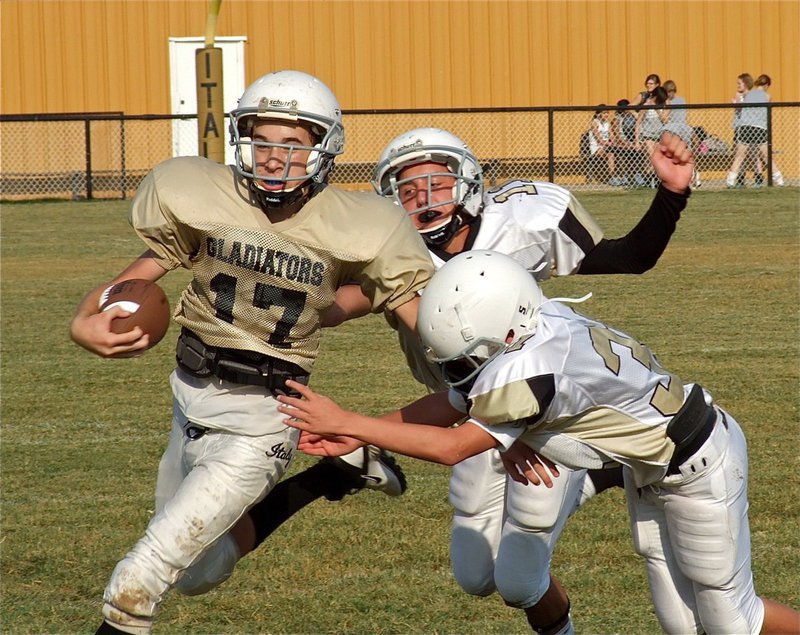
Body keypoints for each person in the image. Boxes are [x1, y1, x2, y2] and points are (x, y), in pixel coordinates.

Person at [279, 126, 692, 633]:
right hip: (463, 408)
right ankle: (589, 477)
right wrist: (275, 293)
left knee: (519, 582)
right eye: (408, 191)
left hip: (535, 410)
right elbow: (337, 305)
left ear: (467, 183)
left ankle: (587, 472)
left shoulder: (515, 226)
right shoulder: (394, 255)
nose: (424, 200)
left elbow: (629, 257)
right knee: (476, 576)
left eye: (435, 183)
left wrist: (672, 194)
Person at [70, 69, 433, 635]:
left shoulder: (363, 224)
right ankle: (327, 479)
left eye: (293, 143)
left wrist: (474, 377)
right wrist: (84, 321)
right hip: (188, 397)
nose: (274, 157)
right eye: (263, 140)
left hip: (267, 415)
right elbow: (142, 274)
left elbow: (410, 306)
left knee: (140, 582)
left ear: (323, 148)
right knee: (198, 573)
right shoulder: (198, 191)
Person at [277, 249, 800, 635]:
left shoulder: (529, 369)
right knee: (684, 627)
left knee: (733, 620)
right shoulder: (537, 321)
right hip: (654, 471)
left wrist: (349, 419)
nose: (462, 372)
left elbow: (451, 446)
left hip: (700, 463)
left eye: (468, 358)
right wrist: (353, 427)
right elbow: (458, 403)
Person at [727, 74, 785, 188]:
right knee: (766, 156)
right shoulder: (767, 96)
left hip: (746, 127)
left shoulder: (745, 94)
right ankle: (779, 180)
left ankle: (730, 180)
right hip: (760, 128)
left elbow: (738, 107)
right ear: (767, 85)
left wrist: (736, 102)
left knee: (740, 156)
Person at [662, 80, 701, 188]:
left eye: (671, 91)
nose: (670, 94)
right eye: (668, 92)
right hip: (677, 129)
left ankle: (693, 176)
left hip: (679, 129)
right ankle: (688, 178)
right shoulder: (672, 101)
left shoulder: (677, 101)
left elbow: (669, 119)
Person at [635, 86, 670, 187]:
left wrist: (657, 109)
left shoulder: (664, 106)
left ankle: (652, 178)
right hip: (647, 135)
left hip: (659, 135)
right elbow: (639, 121)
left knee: (656, 159)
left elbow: (665, 120)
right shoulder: (646, 104)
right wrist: (637, 140)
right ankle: (649, 179)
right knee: (651, 157)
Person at [609, 98, 647, 188]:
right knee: (623, 152)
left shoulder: (632, 116)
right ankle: (625, 176)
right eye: (624, 109)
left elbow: (639, 126)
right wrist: (627, 144)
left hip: (634, 142)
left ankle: (638, 175)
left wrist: (635, 143)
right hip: (622, 143)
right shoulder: (617, 119)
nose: (626, 111)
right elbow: (618, 136)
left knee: (641, 151)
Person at [587, 106, 617, 184]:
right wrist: (609, 144)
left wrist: (614, 143)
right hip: (596, 148)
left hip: (607, 146)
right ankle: (612, 177)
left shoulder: (607, 123)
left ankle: (626, 177)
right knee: (610, 155)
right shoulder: (594, 123)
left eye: (607, 113)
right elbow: (599, 139)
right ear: (598, 114)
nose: (606, 115)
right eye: (604, 113)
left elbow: (612, 136)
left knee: (622, 153)